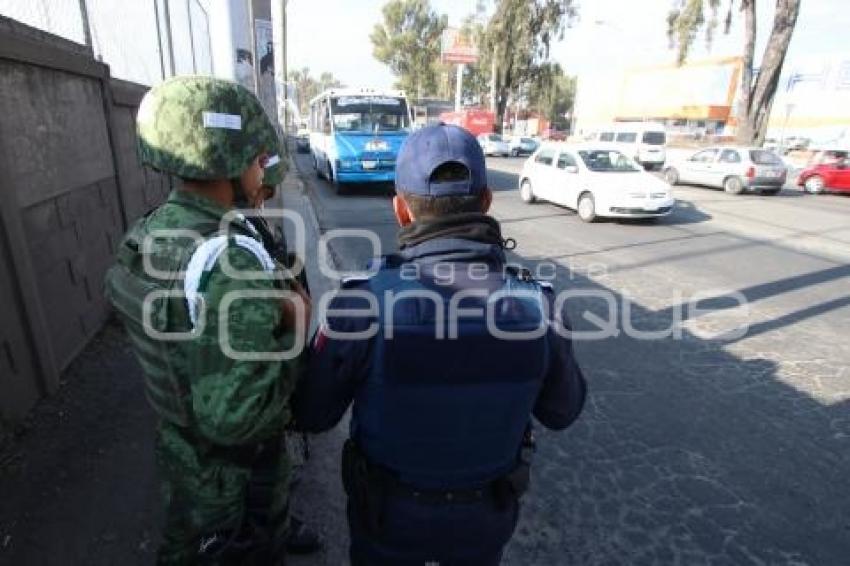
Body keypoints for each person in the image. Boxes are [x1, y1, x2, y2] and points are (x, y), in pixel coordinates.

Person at [293, 123, 587, 565]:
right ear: (487, 202)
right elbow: (563, 412)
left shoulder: (360, 303)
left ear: (401, 210)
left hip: (386, 517)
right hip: (484, 520)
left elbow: (313, 414)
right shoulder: (539, 306)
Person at [105, 76, 312, 564]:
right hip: (234, 484)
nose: (265, 170)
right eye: (259, 159)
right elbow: (235, 419)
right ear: (230, 160)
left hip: (181, 453)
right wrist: (297, 333)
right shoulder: (228, 259)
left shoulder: (149, 231)